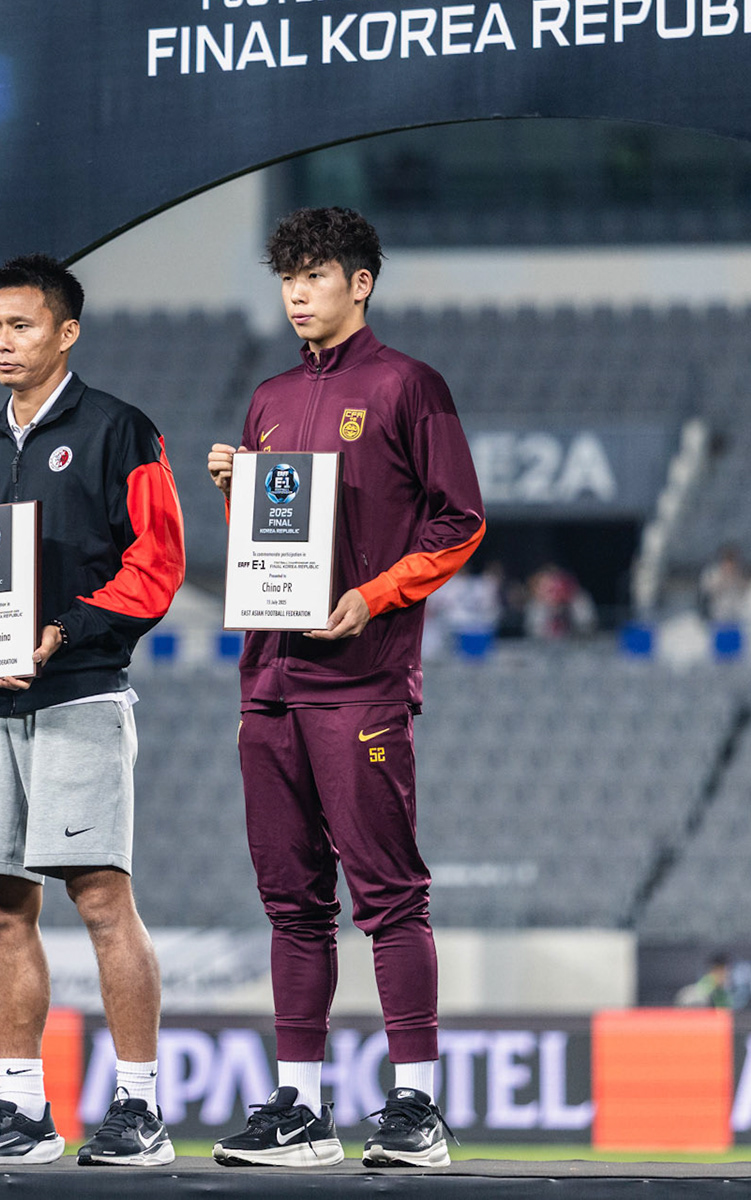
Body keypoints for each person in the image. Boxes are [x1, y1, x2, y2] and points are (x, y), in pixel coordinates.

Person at [206, 207, 484, 1169]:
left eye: (315, 276)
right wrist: (237, 490)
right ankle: (300, 1110)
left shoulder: (410, 385)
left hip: (361, 679)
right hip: (269, 678)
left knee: (390, 897)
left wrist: (376, 595)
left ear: (359, 283)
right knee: (291, 904)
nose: (296, 294)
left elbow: (461, 522)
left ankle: (418, 1108)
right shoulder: (270, 398)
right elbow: (272, 548)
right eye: (286, 277)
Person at [0, 254, 186, 1167]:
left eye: (21, 325)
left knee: (102, 899)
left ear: (66, 332)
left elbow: (158, 566)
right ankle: (22, 1112)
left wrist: (66, 631)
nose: (2, 341)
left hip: (78, 695)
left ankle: (140, 1110)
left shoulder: (118, 430)